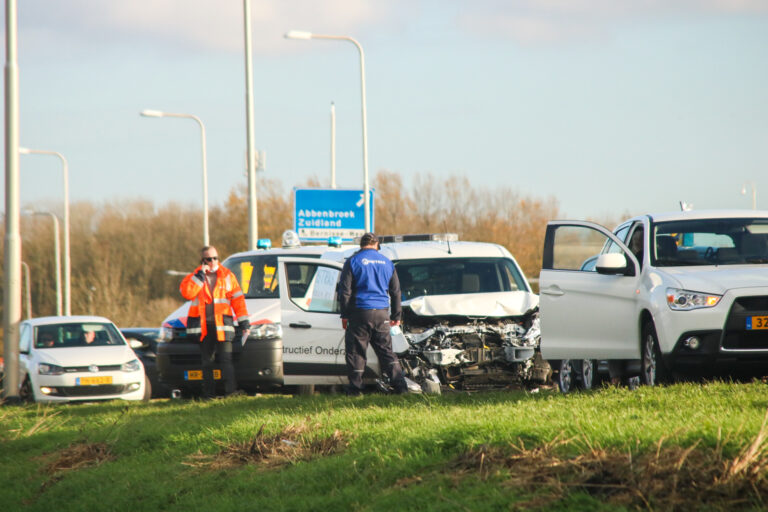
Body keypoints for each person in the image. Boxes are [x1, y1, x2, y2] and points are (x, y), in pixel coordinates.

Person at [337, 232, 408, 396]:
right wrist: (396, 317)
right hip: (382, 314)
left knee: (356, 352)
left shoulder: (353, 261)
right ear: (377, 245)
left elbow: (345, 291)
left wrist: (345, 315)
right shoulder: (387, 263)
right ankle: (401, 387)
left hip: (360, 312)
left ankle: (355, 390)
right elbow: (396, 292)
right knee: (386, 352)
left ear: (361, 245)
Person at [180, 246, 250, 398]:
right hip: (203, 326)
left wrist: (244, 323)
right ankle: (208, 395)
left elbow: (238, 301)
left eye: (215, 258)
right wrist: (199, 277)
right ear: (203, 261)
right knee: (207, 363)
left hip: (223, 325)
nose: (212, 262)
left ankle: (230, 392)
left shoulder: (227, 275)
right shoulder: (194, 276)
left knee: (226, 360)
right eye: (208, 259)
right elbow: (187, 293)